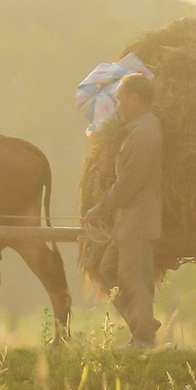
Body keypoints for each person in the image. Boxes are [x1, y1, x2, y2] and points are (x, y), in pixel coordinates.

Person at [84, 73, 163, 348]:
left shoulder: (144, 134)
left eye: (120, 99)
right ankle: (142, 321)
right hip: (127, 221)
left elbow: (129, 183)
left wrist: (99, 209)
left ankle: (143, 337)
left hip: (138, 219)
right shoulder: (138, 131)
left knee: (135, 278)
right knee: (108, 270)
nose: (117, 106)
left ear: (135, 98)